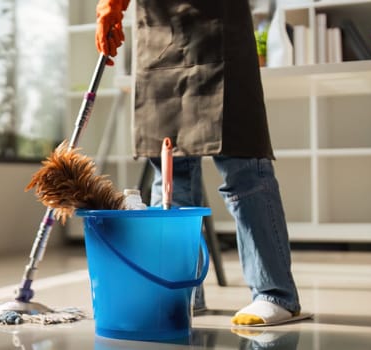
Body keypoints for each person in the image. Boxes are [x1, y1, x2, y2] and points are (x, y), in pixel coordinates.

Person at [95, 0, 311, 326]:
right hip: (158, 31)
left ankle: (275, 294)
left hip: (219, 24)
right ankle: (179, 293)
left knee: (243, 162)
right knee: (170, 171)